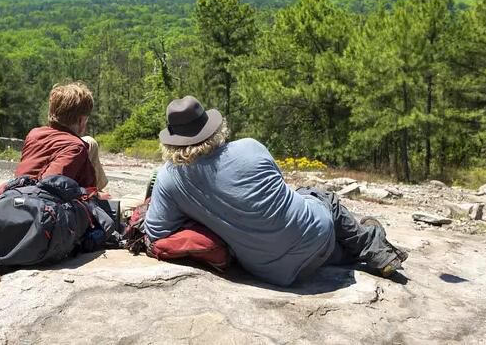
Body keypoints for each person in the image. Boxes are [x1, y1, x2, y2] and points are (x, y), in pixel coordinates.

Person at [144, 95, 408, 287]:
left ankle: (365, 244)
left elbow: (156, 232)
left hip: (274, 272)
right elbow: (279, 194)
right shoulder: (250, 147)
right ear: (213, 128)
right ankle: (373, 244)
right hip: (316, 237)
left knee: (325, 240)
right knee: (320, 196)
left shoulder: (170, 178)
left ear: (172, 141)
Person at [0, 82, 110, 207]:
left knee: (90, 142)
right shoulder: (76, 147)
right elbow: (54, 186)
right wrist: (94, 195)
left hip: (17, 196)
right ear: (81, 120)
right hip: (43, 207)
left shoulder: (34, 134)